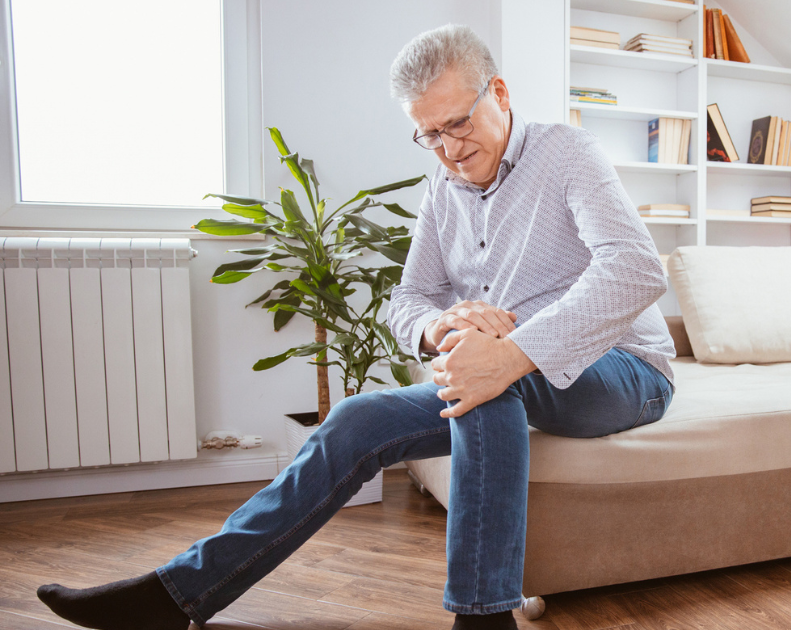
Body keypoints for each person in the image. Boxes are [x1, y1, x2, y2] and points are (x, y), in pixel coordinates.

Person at [35, 22, 675, 630]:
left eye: (459, 122)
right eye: (431, 134)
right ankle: (177, 594)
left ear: (499, 94)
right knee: (356, 419)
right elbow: (409, 298)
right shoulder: (442, 188)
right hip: (507, 370)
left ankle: (482, 615)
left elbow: (636, 269)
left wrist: (512, 354)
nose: (451, 148)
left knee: (481, 381)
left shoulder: (566, 153)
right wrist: (440, 324)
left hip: (624, 368)